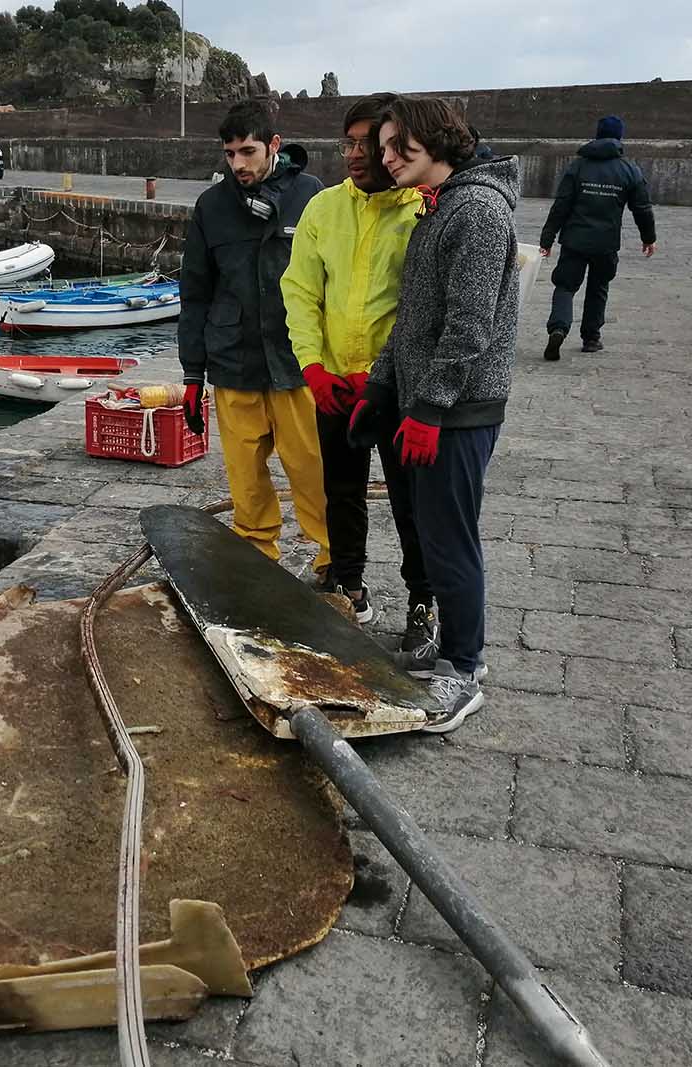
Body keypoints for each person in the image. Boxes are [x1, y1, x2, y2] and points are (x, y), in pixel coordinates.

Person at [348, 96, 521, 732]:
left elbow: (469, 328)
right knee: (430, 532)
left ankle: (465, 669)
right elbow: (413, 319)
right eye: (384, 147)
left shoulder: (475, 211)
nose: (384, 158)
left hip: (458, 411)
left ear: (438, 145)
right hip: (428, 403)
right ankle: (452, 651)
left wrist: (428, 408)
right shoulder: (439, 209)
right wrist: (380, 388)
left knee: (450, 538)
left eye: (399, 148)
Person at [280, 92, 435, 645]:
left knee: (410, 500)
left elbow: (423, 310)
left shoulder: (422, 211)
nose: (354, 153)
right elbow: (300, 292)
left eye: (368, 142)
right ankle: (348, 586)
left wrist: (379, 373)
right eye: (347, 142)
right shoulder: (322, 209)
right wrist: (315, 369)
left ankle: (424, 601)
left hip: (397, 388)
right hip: (334, 387)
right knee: (340, 492)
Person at [179, 101, 331, 577]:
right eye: (230, 154)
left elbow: (334, 284)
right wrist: (191, 374)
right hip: (233, 363)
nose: (239, 164)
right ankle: (257, 556)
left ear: (274, 146)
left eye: (248, 151)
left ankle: (334, 559)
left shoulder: (312, 197)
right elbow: (195, 293)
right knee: (245, 477)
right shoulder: (211, 206)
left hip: (295, 363)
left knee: (313, 471)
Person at [537, 114, 656, 360]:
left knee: (565, 286)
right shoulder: (629, 170)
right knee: (598, 287)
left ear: (597, 134)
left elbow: (561, 205)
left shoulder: (578, 166)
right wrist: (648, 237)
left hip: (574, 240)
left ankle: (558, 328)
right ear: (620, 137)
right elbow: (642, 208)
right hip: (606, 243)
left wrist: (546, 239)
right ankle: (591, 338)